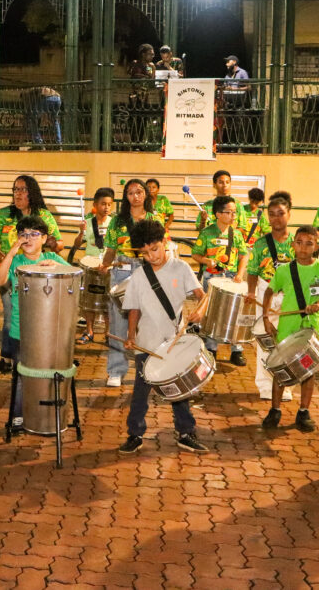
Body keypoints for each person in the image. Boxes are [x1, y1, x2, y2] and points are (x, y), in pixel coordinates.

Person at [118, 219, 209, 454]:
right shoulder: (139, 276)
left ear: (165, 242)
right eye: (145, 253)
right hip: (146, 344)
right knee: (140, 392)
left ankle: (185, 432)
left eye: (155, 249)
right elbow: (134, 309)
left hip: (172, 342)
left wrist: (200, 310)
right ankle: (134, 434)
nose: (151, 256)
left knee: (179, 390)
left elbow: (203, 296)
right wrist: (130, 336)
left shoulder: (181, 268)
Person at [0, 214, 71, 430]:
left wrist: (55, 264)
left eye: (34, 234)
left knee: (47, 374)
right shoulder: (16, 261)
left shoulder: (52, 259)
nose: (28, 238)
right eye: (23, 234)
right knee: (21, 375)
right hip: (21, 331)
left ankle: (46, 416)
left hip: (49, 333)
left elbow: (75, 275)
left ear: (44, 238)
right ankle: (18, 416)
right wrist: (11, 251)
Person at [0, 175, 62, 376]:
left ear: (32, 193)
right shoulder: (3, 215)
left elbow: (58, 243)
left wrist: (52, 246)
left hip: (37, 276)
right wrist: (6, 259)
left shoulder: (44, 216)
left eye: (23, 190)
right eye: (15, 189)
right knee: (11, 317)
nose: (18, 194)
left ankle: (35, 358)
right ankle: (7, 358)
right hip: (12, 272)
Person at [260, 225, 319, 431]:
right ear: (293, 245)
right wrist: (266, 317)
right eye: (299, 243)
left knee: (309, 371)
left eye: (309, 243)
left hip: (311, 327)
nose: (303, 248)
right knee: (281, 371)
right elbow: (268, 292)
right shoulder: (284, 270)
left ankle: (303, 412)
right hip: (288, 327)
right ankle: (275, 410)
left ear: (316, 246)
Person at [99, 179, 164, 387]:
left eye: (138, 192)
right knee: (119, 321)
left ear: (145, 194)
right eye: (130, 193)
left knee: (149, 323)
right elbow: (110, 249)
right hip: (122, 270)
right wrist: (105, 266)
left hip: (148, 270)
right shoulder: (118, 222)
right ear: (125, 197)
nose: (135, 196)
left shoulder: (155, 219)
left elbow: (161, 248)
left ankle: (149, 370)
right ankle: (116, 371)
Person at [247, 193, 296, 399]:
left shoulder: (296, 242)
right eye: (272, 214)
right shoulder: (260, 244)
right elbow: (252, 271)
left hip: (290, 294)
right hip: (265, 291)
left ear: (289, 215)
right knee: (266, 339)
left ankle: (287, 385)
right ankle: (265, 386)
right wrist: (250, 291)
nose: (277, 218)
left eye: (281, 214)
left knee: (289, 341)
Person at [191, 195, 248, 366]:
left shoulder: (236, 234)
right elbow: (195, 254)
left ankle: (236, 349)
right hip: (211, 277)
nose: (233, 216)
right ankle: (211, 348)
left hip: (231, 278)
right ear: (218, 214)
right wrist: (206, 261)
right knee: (211, 314)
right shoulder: (207, 233)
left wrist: (240, 273)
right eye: (229, 212)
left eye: (234, 212)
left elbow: (244, 255)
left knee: (236, 313)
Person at [75, 187, 114, 345]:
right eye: (103, 204)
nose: (106, 208)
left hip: (107, 265)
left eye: (109, 204)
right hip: (90, 265)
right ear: (95, 205)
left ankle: (108, 333)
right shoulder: (88, 223)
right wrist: (80, 232)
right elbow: (77, 244)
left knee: (108, 301)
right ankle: (89, 330)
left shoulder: (114, 223)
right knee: (88, 300)